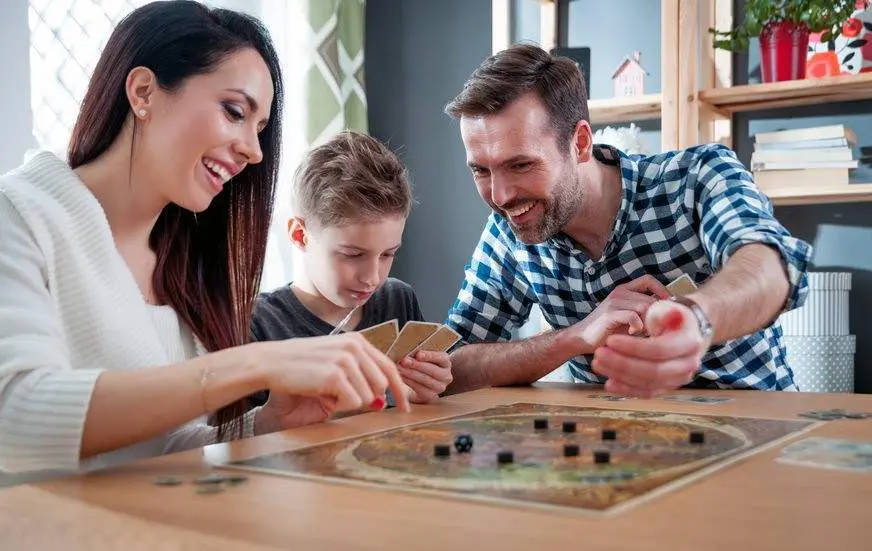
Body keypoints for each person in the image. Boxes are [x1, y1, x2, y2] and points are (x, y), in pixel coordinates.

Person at [0, 1, 408, 478]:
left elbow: (162, 445)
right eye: (234, 111)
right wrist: (254, 364)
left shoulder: (181, 260)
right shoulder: (19, 214)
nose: (254, 151)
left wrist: (266, 423)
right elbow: (15, 417)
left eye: (260, 129)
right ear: (143, 92)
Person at [442, 44, 813, 397]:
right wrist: (576, 337)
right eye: (481, 171)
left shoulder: (696, 177)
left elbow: (769, 265)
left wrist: (696, 319)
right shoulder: (509, 229)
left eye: (521, 165)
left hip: (754, 425)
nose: (501, 196)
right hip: (615, 447)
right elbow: (451, 366)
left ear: (580, 143)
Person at [248, 131, 453, 424]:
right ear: (299, 234)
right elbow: (241, 441)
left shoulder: (398, 299)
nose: (372, 278)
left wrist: (426, 389)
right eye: (352, 255)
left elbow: (415, 411)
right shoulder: (259, 325)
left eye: (388, 254)